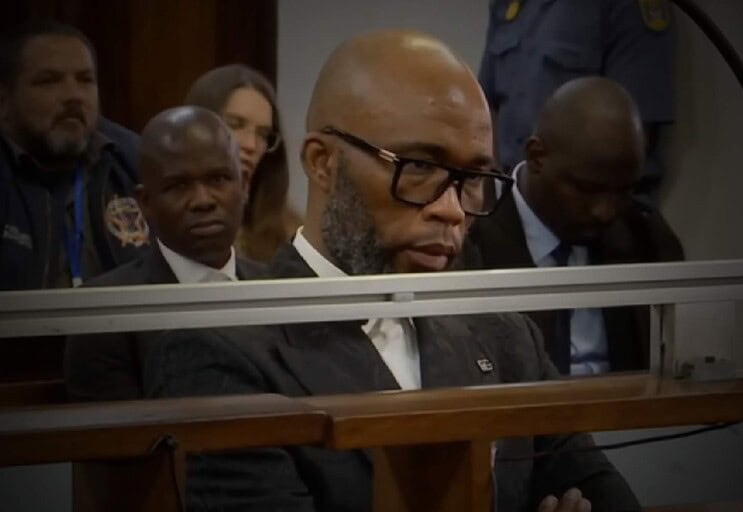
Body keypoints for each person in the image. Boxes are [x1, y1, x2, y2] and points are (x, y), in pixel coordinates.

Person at [143, 30, 640, 512]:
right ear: (323, 163)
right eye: (419, 167)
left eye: (471, 178)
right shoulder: (221, 351)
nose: (452, 210)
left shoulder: (508, 337)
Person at [467, 77, 684, 376]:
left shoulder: (644, 237)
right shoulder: (471, 233)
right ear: (537, 157)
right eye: (587, 189)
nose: (605, 212)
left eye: (624, 191)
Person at [65, 106, 265, 402]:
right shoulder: (103, 315)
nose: (202, 200)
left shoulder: (282, 290)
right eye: (179, 186)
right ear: (145, 202)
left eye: (218, 179)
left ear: (244, 186)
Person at [0, 20, 148, 291]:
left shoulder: (134, 161)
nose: (73, 95)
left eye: (85, 80)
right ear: (4, 99)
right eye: (48, 81)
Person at [479, 0, 674, 202]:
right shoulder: (511, 4)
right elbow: (487, 104)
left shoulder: (624, 6)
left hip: (589, 202)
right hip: (513, 194)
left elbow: (632, 131)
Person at [185, 64, 300, 263]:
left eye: (263, 134)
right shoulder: (162, 221)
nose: (251, 145)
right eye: (235, 125)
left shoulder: (290, 233)